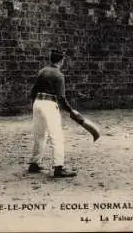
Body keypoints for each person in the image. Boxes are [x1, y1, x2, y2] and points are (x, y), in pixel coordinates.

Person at [28, 49, 85, 178]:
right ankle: (58, 168)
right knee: (57, 136)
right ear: (61, 61)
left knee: (39, 135)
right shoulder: (59, 75)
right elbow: (61, 98)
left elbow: (33, 91)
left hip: (37, 103)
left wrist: (36, 105)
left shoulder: (42, 71)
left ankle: (34, 164)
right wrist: (71, 111)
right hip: (49, 104)